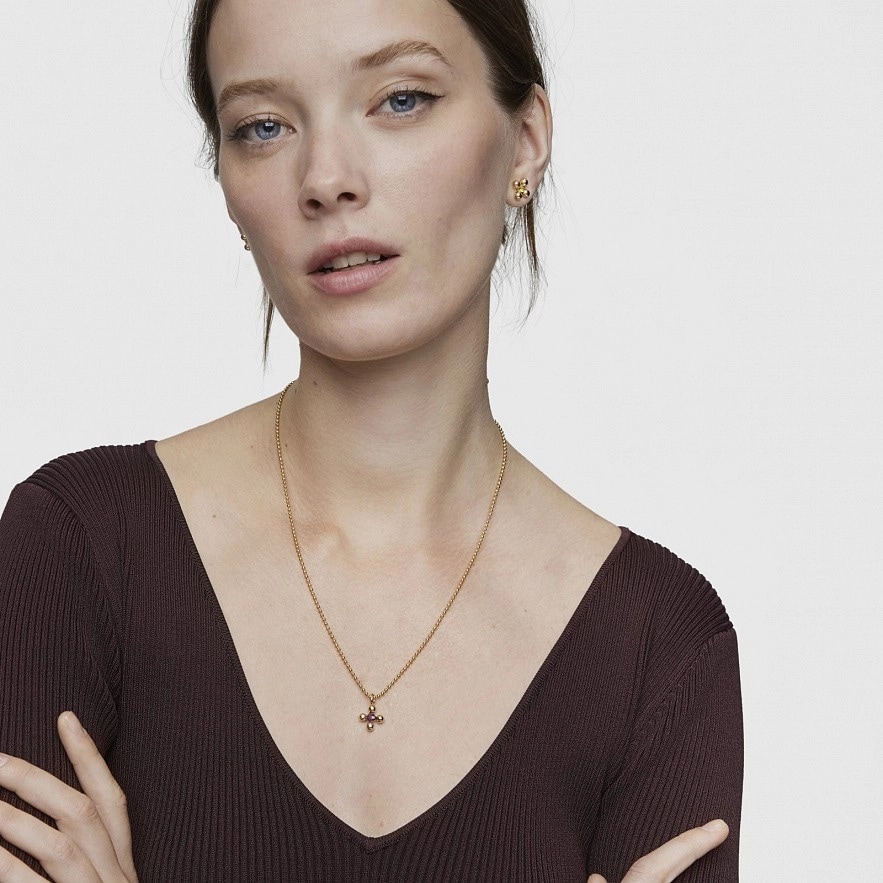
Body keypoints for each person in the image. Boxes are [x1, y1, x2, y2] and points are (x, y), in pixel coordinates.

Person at [0, 0, 742, 879]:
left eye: (400, 100)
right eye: (263, 126)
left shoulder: (657, 643)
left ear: (524, 141)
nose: (326, 178)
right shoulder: (79, 546)